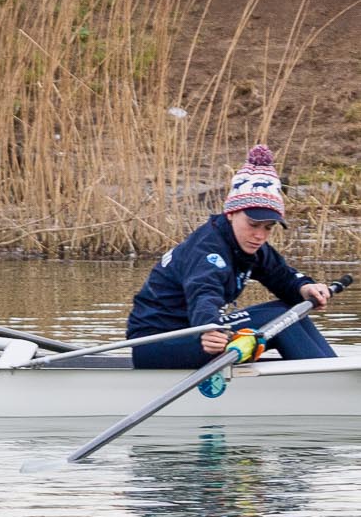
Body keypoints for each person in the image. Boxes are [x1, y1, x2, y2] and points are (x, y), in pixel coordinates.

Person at [126, 144, 336, 370]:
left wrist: (305, 288)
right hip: (158, 344)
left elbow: (282, 276)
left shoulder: (249, 245)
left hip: (191, 335)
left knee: (291, 311)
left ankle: (331, 369)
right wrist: (208, 328)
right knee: (278, 317)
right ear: (232, 213)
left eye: (268, 227)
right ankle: (327, 382)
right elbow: (204, 294)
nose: (259, 235)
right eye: (253, 224)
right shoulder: (208, 251)